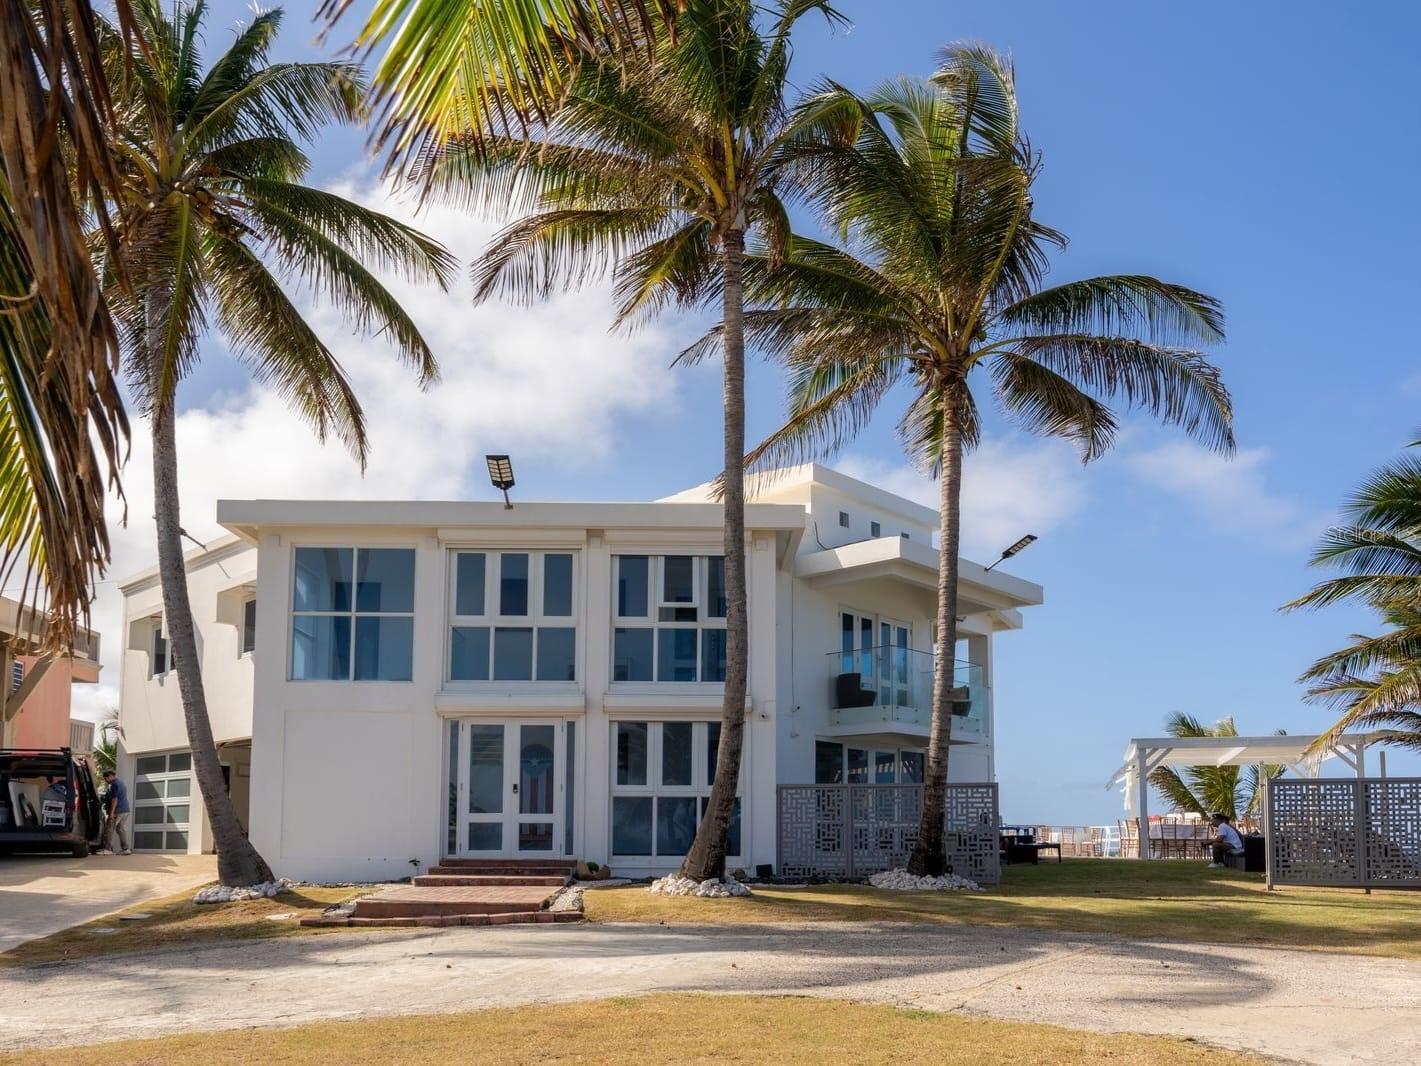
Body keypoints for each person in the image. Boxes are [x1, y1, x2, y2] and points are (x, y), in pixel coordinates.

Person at [102, 770, 131, 855]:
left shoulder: (114, 784)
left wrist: (112, 813)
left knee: (109, 829)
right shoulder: (121, 783)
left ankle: (108, 850)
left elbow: (115, 799)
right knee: (120, 829)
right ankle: (125, 849)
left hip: (118, 811)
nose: (105, 780)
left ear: (110, 776)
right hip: (125, 810)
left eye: (106, 778)